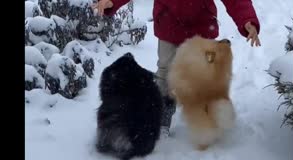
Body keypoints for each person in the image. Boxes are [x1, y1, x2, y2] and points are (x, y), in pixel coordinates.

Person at [92, 0, 261, 136]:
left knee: (206, 74)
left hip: (202, 27)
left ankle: (207, 114)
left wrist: (247, 21)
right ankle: (163, 116)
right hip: (168, 26)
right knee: (165, 73)